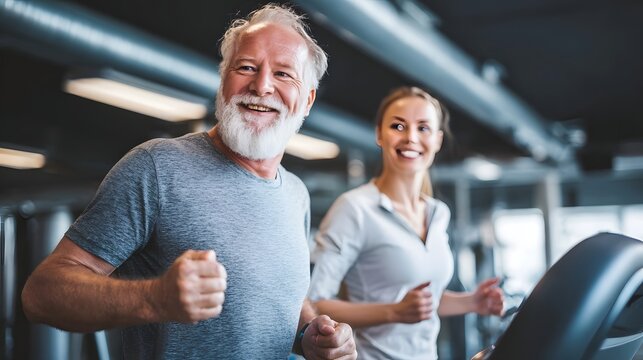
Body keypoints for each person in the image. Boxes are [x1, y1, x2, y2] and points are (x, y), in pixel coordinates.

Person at [21, 4, 357, 359]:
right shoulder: (157, 167)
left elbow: (281, 295)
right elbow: (41, 295)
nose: (261, 86)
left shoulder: (295, 194)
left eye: (284, 74)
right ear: (223, 79)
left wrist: (309, 335)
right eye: (246, 67)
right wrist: (154, 299)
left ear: (307, 100)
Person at [307, 86, 504, 359]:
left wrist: (471, 302)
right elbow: (315, 304)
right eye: (398, 126)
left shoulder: (438, 213)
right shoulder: (356, 208)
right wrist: (393, 312)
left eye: (423, 128)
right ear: (380, 134)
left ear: (437, 140)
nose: (411, 137)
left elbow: (423, 302)